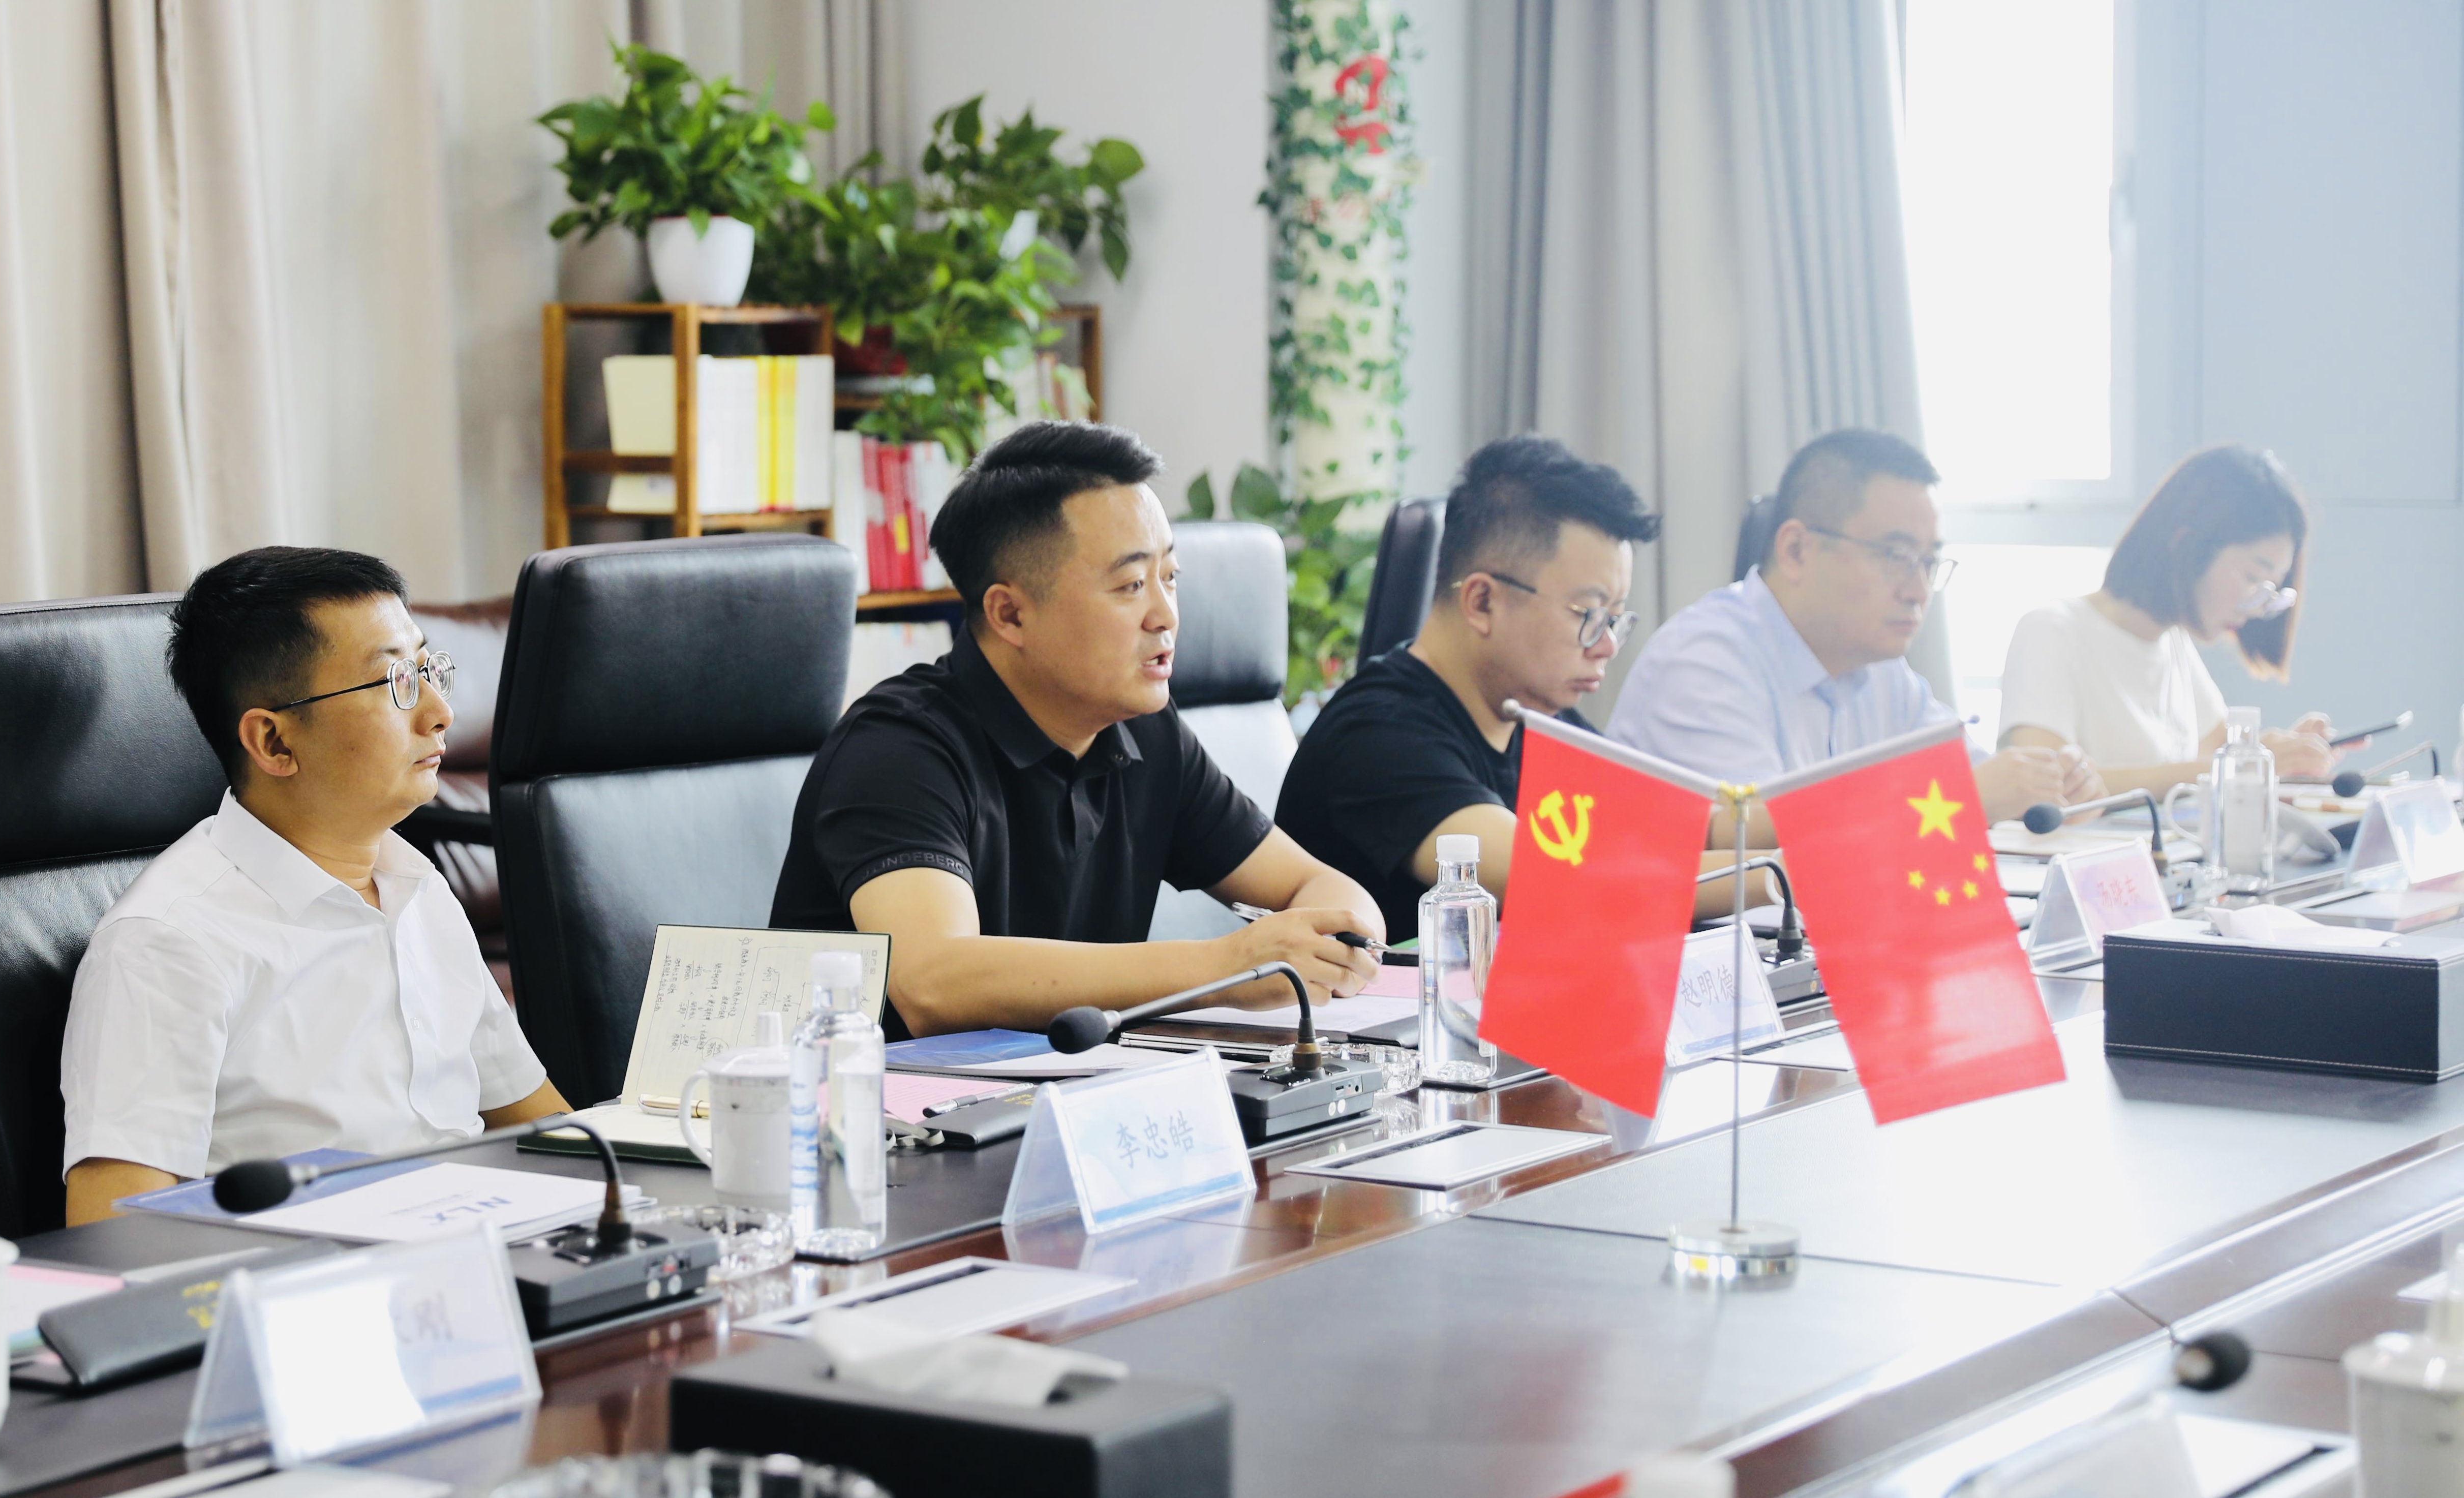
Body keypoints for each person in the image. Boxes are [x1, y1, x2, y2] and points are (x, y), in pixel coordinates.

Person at [769, 421, 1385, 1038]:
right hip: (882, 1097)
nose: (1165, 615)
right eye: (1130, 586)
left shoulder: (1146, 734)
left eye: (1170, 578)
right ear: (1010, 613)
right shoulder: (897, 749)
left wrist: (1342, 940)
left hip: (1074, 1088)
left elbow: (1317, 885)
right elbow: (933, 982)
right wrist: (1227, 968)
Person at [61, 547, 566, 1225]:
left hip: (482, 1253)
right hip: (314, 1281)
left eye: (427, 670)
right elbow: (111, 1233)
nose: (440, 712)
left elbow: (546, 1128)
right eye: (395, 682)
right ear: (273, 742)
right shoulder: (167, 944)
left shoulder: (417, 888)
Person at [1607, 430, 2095, 833]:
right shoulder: (1703, 663)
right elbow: (1754, 852)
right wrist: (1964, 798)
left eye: (1929, 562)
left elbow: (1977, 778)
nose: (1918, 591)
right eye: (1895, 557)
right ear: (1797, 551)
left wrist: (2052, 783)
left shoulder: (1883, 671)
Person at [1276, 436, 1661, 929]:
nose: (1606, 645)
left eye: (1615, 618)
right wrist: (1753, 872)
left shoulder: (1537, 716)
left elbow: (1671, 831)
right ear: (1482, 602)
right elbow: (1557, 878)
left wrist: (1753, 832)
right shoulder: (1378, 738)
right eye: (1588, 614)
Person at [1997, 445, 2335, 794]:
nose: (2255, 608)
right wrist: (2244, 765)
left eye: (2272, 591)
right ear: (2187, 544)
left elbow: (2220, 753)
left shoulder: (2172, 641)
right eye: (2252, 578)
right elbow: (2046, 787)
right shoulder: (2052, 631)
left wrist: (2288, 754)